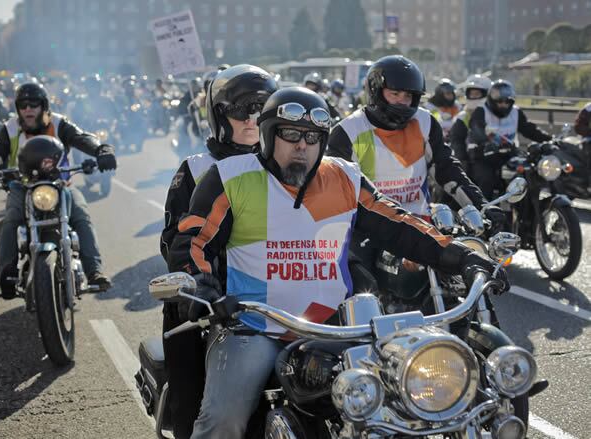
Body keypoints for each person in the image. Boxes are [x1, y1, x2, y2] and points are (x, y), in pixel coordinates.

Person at [167, 86, 509, 437]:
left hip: (339, 325)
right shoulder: (230, 176)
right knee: (224, 420)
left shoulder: (343, 177)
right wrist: (199, 282)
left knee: (404, 402)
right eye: (291, 134)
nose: (303, 145)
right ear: (269, 135)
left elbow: (400, 224)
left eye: (313, 137)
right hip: (255, 326)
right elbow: (193, 241)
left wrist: (463, 255)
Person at [160, 64, 277, 439]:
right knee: (197, 400)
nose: (250, 120)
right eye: (239, 110)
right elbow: (174, 241)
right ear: (218, 114)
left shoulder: (284, 165)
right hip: (216, 302)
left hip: (278, 296)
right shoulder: (196, 169)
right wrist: (201, 284)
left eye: (260, 110)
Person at [0, 82, 117, 298]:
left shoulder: (59, 123)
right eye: (23, 105)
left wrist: (101, 149)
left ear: (44, 106)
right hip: (23, 187)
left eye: (34, 104)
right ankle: (7, 275)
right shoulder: (10, 128)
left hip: (60, 185)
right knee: (10, 221)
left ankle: (94, 271)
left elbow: (82, 137)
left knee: (81, 216)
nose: (28, 109)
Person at [326, 56, 489, 220]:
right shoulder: (347, 131)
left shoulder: (425, 121)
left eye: (408, 96)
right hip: (370, 227)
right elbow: (336, 192)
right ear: (376, 91)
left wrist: (482, 205)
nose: (402, 102)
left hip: (419, 224)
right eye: (395, 94)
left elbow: (447, 169)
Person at [467, 79, 552, 199]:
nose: (504, 105)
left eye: (507, 102)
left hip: (509, 154)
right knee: (486, 180)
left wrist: (549, 139)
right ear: (492, 100)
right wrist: (486, 142)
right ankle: (484, 211)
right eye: (500, 102)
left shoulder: (516, 112)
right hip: (484, 156)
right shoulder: (481, 111)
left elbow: (529, 129)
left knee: (529, 173)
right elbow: (477, 129)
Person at [449, 74, 492, 170]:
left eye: (477, 94)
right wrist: (463, 159)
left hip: (494, 156)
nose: (473, 97)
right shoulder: (464, 116)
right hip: (472, 159)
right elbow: (457, 140)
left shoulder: (493, 114)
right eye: (471, 94)